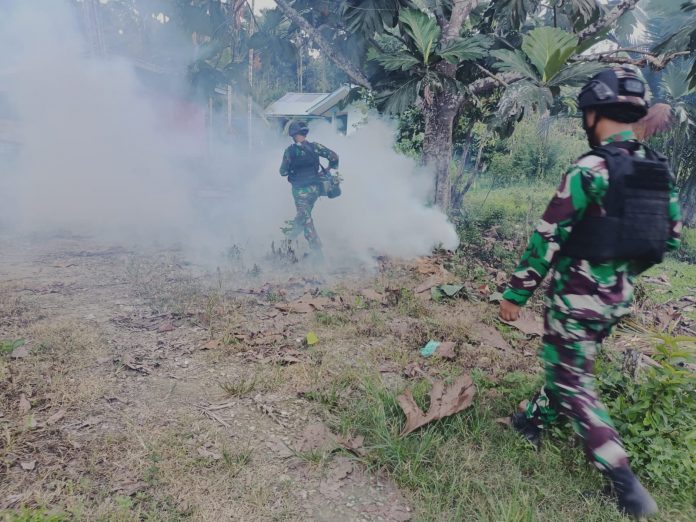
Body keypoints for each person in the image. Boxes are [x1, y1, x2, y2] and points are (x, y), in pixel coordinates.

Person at [498, 67, 682, 519]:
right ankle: (532, 421)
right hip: (617, 298)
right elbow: (671, 237)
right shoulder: (656, 169)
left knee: (573, 381)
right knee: (568, 365)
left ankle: (626, 483)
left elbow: (547, 237)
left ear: (594, 114)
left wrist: (515, 295)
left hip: (576, 298)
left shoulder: (590, 168)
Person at [279, 120, 339, 256]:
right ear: (305, 133)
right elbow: (334, 157)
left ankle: (317, 253)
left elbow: (282, 172)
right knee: (302, 216)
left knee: (306, 219)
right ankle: (286, 243)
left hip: (300, 192)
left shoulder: (290, 151)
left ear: (293, 134)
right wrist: (328, 169)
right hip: (315, 190)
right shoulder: (315, 147)